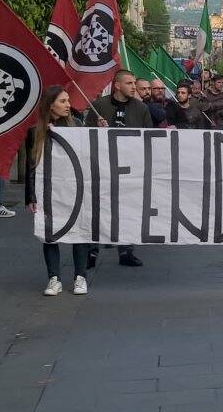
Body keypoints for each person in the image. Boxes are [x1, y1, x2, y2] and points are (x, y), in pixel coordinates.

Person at [26, 86, 90, 296]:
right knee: (49, 233)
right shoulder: (35, 132)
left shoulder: (78, 126)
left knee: (79, 233)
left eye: (68, 101)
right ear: (50, 104)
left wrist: (100, 131)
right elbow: (31, 165)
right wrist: (31, 196)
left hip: (75, 188)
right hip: (49, 191)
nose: (68, 105)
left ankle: (80, 277)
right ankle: (54, 278)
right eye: (63, 101)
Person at [86, 69, 152, 266]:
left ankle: (126, 250)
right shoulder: (100, 106)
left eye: (134, 83)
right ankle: (91, 251)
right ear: (117, 85)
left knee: (128, 209)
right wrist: (97, 129)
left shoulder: (141, 109)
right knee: (98, 208)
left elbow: (149, 137)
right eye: (130, 83)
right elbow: (85, 136)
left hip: (130, 168)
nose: (134, 87)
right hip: (103, 166)